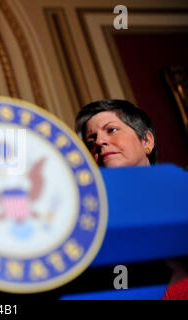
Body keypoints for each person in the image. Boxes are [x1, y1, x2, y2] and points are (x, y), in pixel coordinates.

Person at [75, 99, 188, 300]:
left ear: (147, 142)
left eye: (111, 130)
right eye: (91, 142)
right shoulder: (91, 219)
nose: (99, 142)